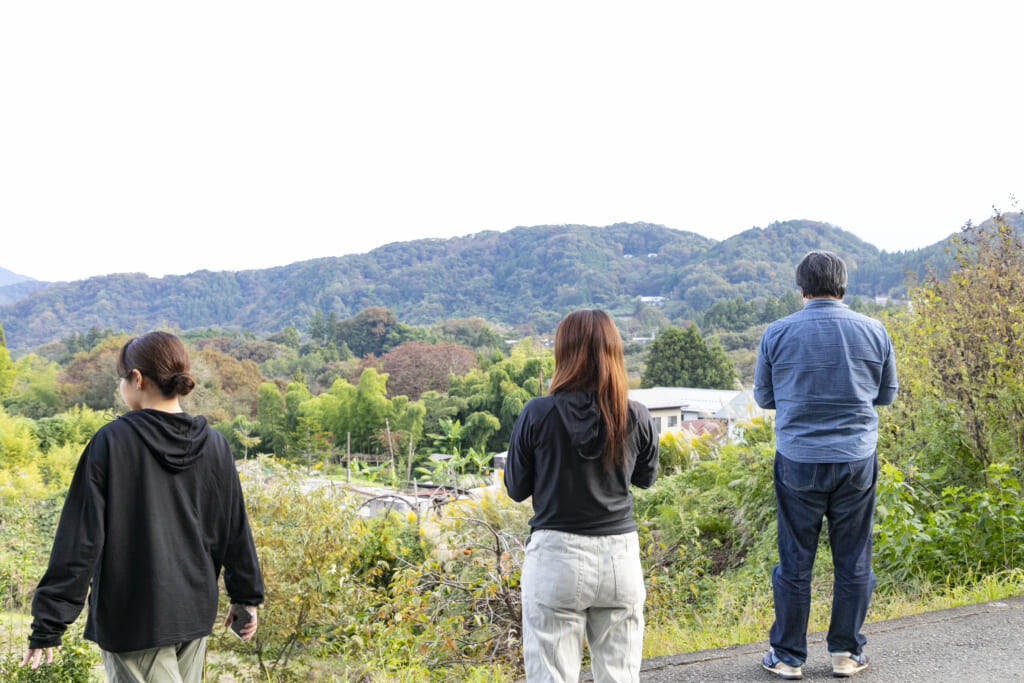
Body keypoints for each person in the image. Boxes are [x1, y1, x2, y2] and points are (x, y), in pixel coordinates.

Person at [23, 331, 264, 683]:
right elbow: (234, 529)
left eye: (122, 378)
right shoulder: (215, 444)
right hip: (193, 612)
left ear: (137, 379)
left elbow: (80, 540)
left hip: (134, 617)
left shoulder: (112, 442)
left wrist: (48, 623)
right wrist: (245, 597)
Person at [754, 252, 898, 679]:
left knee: (795, 559)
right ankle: (846, 654)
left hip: (798, 459)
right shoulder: (874, 331)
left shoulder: (776, 333)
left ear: (801, 288)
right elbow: (885, 395)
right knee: (854, 559)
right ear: (843, 286)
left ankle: (787, 657)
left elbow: (764, 397)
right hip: (856, 459)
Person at [504, 309, 659, 683]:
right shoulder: (636, 416)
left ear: (563, 353)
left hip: (556, 558)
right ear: (615, 353)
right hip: (619, 558)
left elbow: (516, 488)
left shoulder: (537, 413)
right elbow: (645, 479)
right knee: (620, 676)